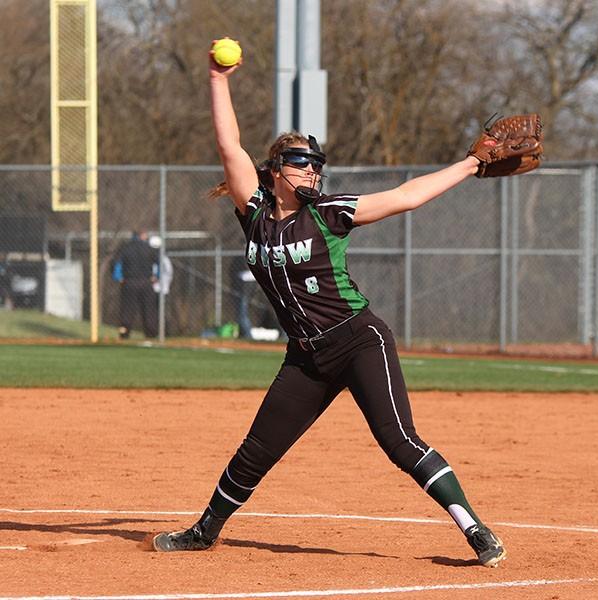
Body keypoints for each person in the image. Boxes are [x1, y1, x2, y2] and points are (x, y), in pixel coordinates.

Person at [151, 41, 511, 568]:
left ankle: (475, 528)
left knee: (399, 440)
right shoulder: (253, 213)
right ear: (274, 170)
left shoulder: (329, 212)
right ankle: (205, 532)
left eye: (316, 165)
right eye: (300, 164)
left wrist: (470, 165)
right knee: (258, 449)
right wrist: (216, 77)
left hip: (358, 339)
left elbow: (406, 195)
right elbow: (230, 145)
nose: (311, 173)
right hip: (306, 357)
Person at [111, 230, 158, 340]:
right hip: (146, 282)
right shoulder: (149, 249)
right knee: (149, 309)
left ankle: (124, 332)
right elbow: (160, 263)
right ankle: (151, 333)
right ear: (142, 236)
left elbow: (117, 264)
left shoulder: (125, 248)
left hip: (129, 282)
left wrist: (119, 278)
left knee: (127, 309)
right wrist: (156, 276)